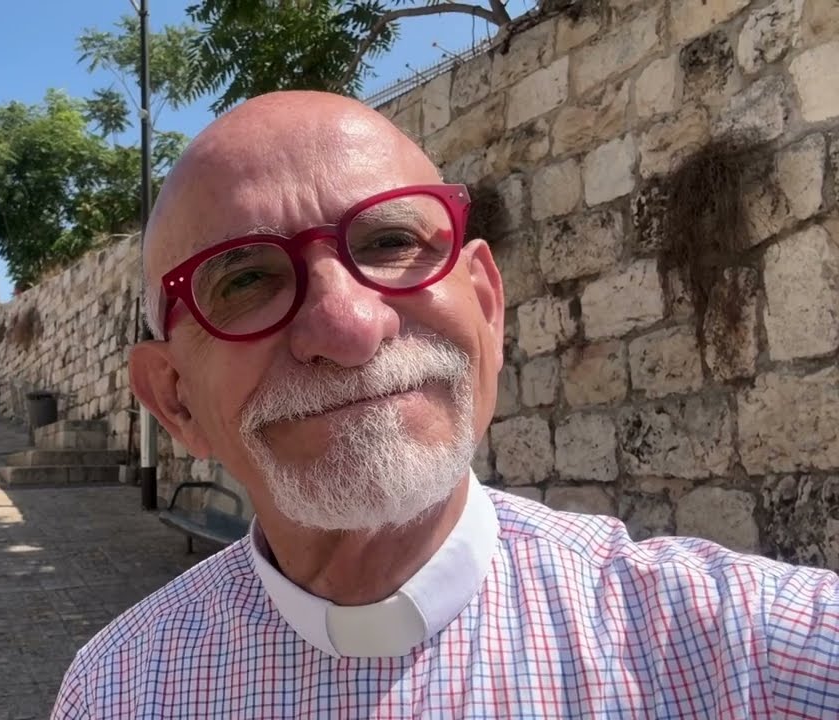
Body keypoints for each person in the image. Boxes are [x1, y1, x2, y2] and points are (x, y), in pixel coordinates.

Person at [50, 91, 839, 718]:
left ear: (488, 310)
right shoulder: (118, 691)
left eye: (391, 242)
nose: (350, 328)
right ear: (176, 401)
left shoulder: (747, 652)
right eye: (247, 279)